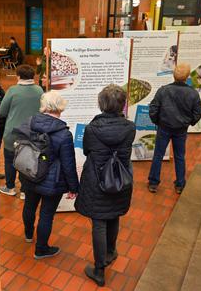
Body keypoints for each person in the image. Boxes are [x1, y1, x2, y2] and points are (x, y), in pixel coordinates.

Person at [75, 85, 135, 287]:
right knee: (114, 214)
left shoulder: (92, 129)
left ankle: (99, 270)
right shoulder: (130, 127)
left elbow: (86, 151)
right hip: (120, 178)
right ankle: (111, 252)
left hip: (97, 180)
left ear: (101, 104)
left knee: (99, 222)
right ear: (122, 104)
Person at [20, 91, 79, 259]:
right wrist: (73, 187)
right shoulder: (63, 133)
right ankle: (41, 249)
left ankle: (28, 234)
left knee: (29, 206)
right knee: (46, 214)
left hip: (30, 173)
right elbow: (68, 164)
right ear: (60, 107)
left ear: (44, 105)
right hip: (52, 181)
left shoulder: (30, 122)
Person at [147, 63, 201, 194]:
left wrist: (158, 121)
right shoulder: (193, 93)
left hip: (164, 127)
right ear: (187, 76)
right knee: (179, 156)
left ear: (174, 75)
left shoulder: (163, 90)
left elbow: (153, 108)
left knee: (158, 155)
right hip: (181, 130)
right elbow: (197, 113)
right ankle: (180, 184)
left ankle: (153, 183)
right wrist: (188, 123)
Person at [0, 65, 43, 198]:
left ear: (18, 76)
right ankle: (24, 190)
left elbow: (2, 111)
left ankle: (10, 187)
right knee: (27, 160)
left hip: (13, 134)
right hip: (32, 133)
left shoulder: (13, 90)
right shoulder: (39, 90)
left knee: (9, 160)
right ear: (32, 76)